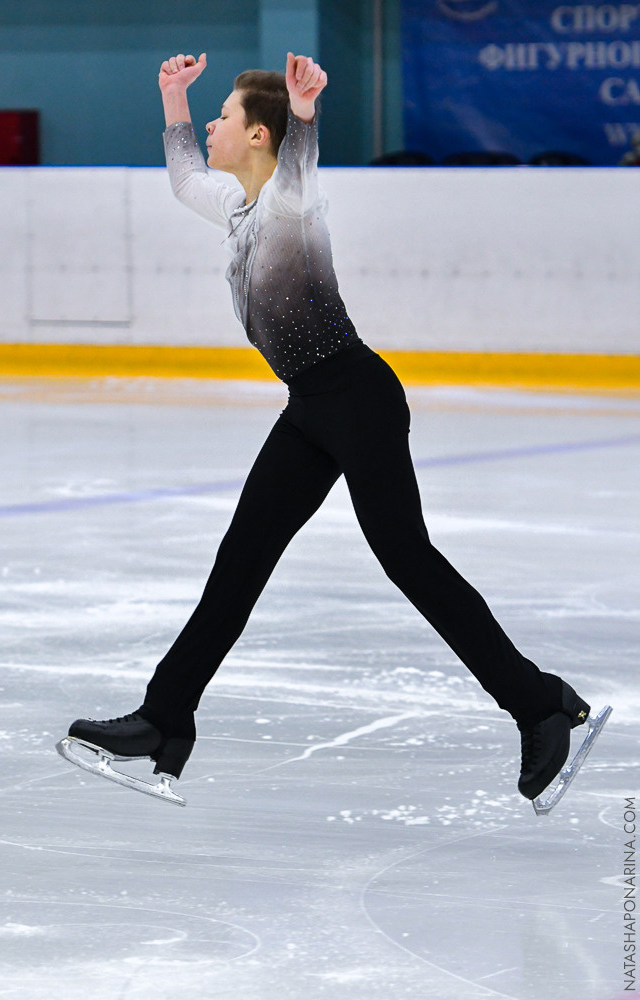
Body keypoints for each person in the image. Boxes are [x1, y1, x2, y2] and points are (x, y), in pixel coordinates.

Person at [63, 51, 595, 804]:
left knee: (409, 561)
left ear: (258, 137)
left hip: (359, 398)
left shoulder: (290, 202)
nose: (213, 122)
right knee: (240, 559)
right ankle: (164, 717)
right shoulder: (238, 207)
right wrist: (171, 98)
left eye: (223, 113)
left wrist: (306, 116)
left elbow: (301, 163)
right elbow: (185, 177)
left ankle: (541, 705)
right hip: (311, 407)